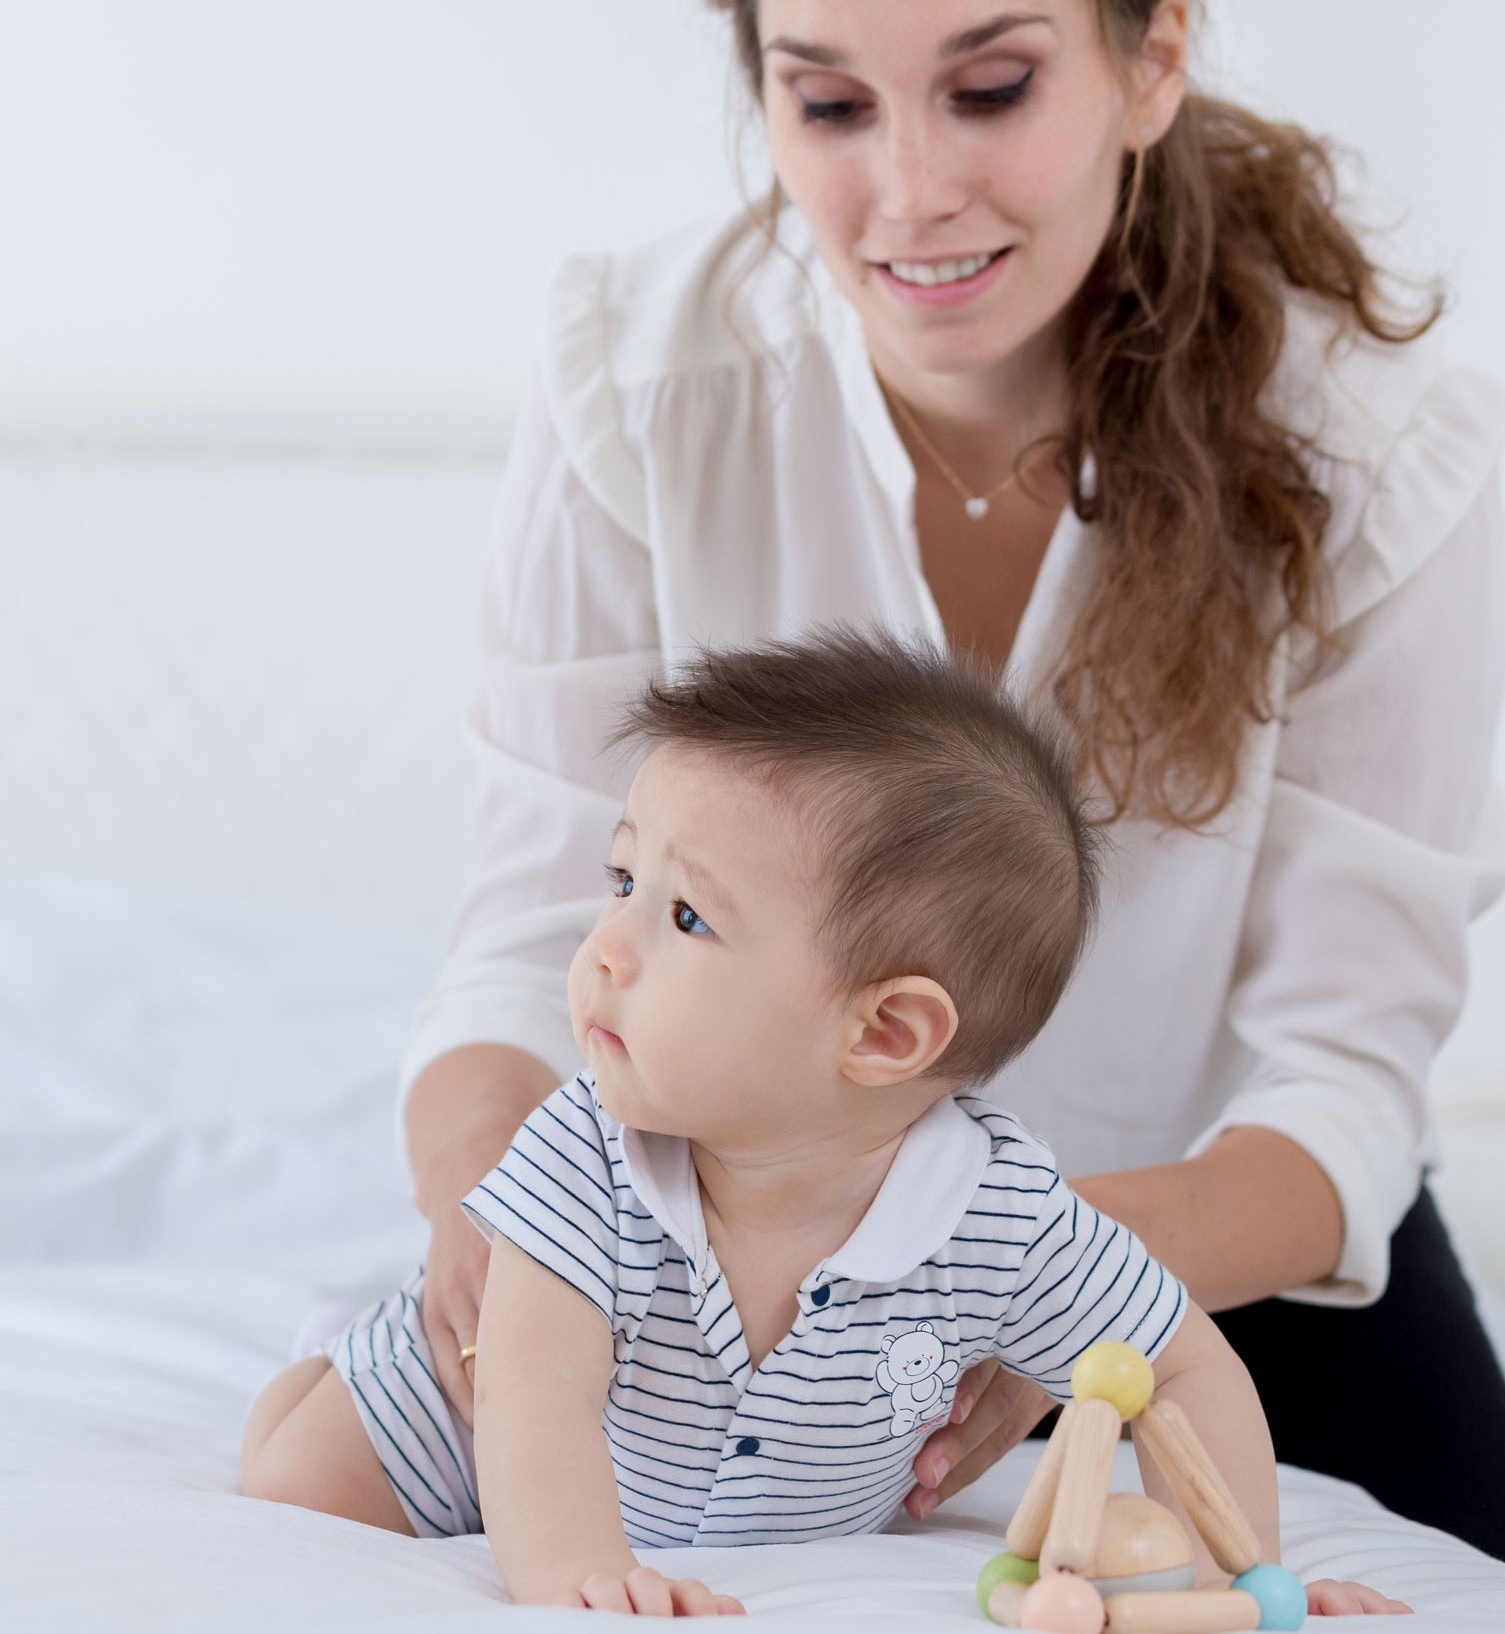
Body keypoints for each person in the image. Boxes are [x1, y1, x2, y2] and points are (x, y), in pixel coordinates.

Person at [397, 0, 1505, 1601]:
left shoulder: (1374, 449)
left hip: (1209, 1246)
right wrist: (498, 1217)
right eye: (827, 103)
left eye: (993, 86)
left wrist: (1034, 1271)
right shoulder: (637, 386)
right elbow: (527, 928)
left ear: (1150, 53)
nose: (909, 191)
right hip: (727, 1255)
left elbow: (1344, 1068)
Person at [239, 633, 1405, 1617]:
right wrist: (581, 1577)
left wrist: (1242, 1575)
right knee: (291, 1480)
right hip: (466, 1418)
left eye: (685, 915)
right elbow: (535, 1390)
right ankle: (322, 1365)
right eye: (621, 880)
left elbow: (1179, 1363)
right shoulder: (584, 1146)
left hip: (751, 1502)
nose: (605, 946)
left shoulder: (1000, 1216)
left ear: (886, 1034)